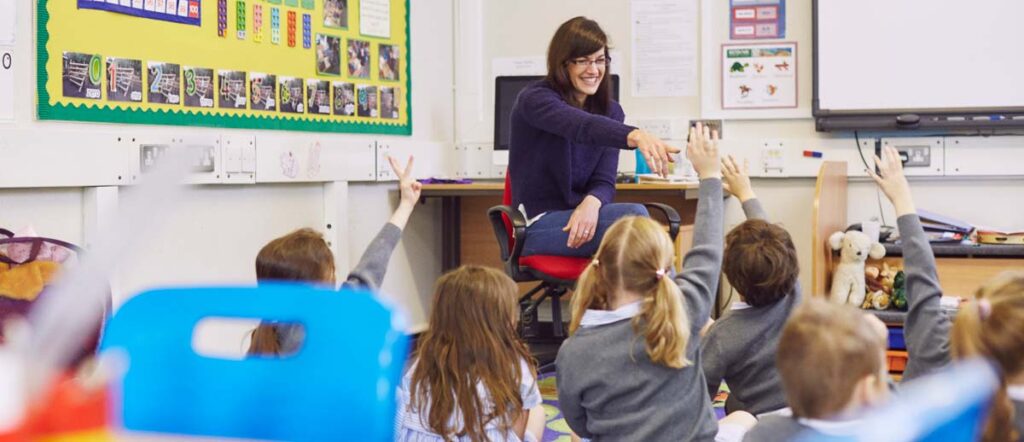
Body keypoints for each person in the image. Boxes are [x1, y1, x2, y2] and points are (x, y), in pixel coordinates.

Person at [555, 126, 756, 441]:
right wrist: (710, 175)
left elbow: (580, 423)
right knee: (744, 416)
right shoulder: (684, 314)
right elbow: (707, 251)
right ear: (664, 269)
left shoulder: (573, 351)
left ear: (600, 269)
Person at [509, 16, 681, 257]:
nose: (593, 70)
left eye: (600, 60)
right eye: (583, 61)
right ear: (563, 63)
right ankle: (676, 294)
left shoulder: (612, 112)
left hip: (585, 219)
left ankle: (664, 294)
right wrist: (635, 135)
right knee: (635, 221)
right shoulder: (535, 99)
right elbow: (581, 127)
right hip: (537, 225)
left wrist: (591, 204)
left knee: (635, 231)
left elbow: (604, 180)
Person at [248, 155, 421, 355]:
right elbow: (372, 266)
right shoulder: (329, 323)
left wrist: (406, 204)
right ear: (316, 286)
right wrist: (407, 204)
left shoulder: (262, 338)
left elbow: (370, 267)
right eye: (331, 275)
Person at [394, 266, 546, 442]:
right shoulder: (514, 363)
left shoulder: (425, 358)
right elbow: (517, 429)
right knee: (538, 412)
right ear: (500, 319)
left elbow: (403, 414)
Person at [701, 155, 801, 416]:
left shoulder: (721, 336)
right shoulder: (793, 294)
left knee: (734, 407)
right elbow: (771, 244)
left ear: (730, 275)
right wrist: (745, 191)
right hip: (811, 410)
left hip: (764, 424)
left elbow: (698, 401)